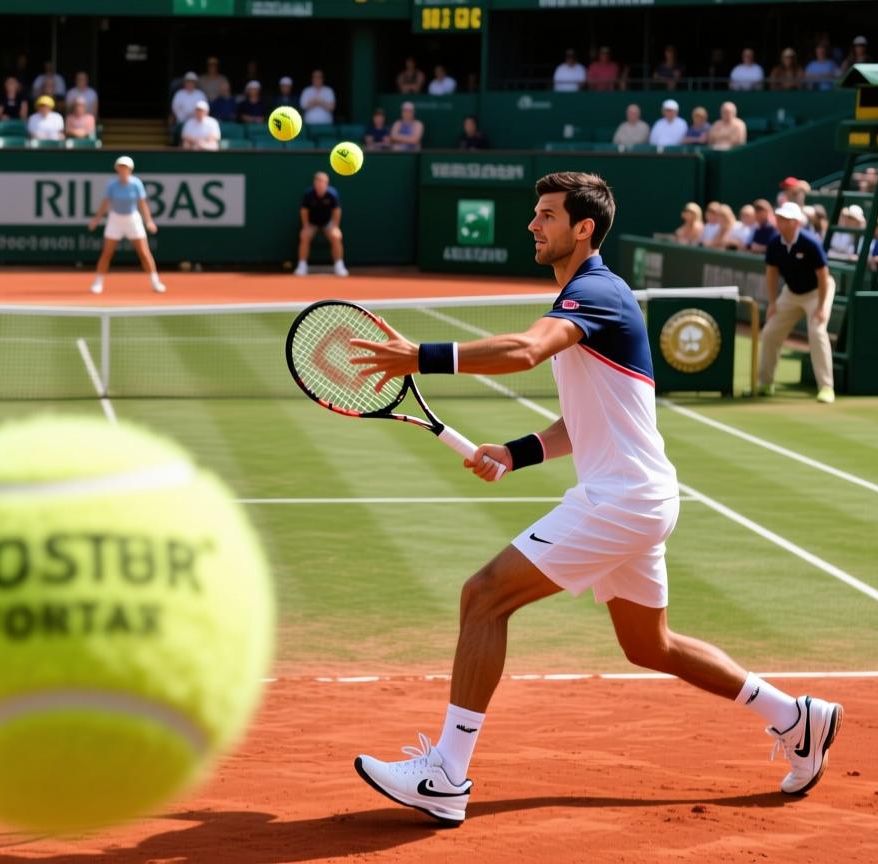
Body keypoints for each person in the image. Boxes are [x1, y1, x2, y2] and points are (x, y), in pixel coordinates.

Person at [350, 171, 843, 826]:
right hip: (637, 494)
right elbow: (583, 425)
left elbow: (525, 351)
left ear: (583, 228)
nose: (533, 224)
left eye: (547, 215)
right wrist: (517, 452)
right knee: (650, 646)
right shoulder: (589, 299)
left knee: (483, 596)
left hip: (624, 499)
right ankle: (795, 717)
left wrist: (422, 357)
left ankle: (445, 773)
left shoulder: (597, 292)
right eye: (536, 214)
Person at [758, 201, 836, 403]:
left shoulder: (811, 243)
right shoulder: (775, 243)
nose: (780, 222)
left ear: (795, 223)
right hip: (791, 293)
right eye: (779, 218)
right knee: (769, 333)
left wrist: (820, 307)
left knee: (817, 332)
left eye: (785, 219)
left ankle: (826, 387)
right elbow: (772, 273)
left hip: (817, 291)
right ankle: (766, 383)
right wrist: (773, 302)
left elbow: (823, 276)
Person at [87, 155, 164, 295]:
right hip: (115, 219)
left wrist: (149, 221)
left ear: (130, 169)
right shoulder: (112, 185)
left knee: (144, 252)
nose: (123, 169)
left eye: (126, 167)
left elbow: (142, 204)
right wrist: (96, 220)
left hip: (132, 219)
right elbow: (105, 203)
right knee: (107, 253)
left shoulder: (136, 184)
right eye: (121, 167)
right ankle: (98, 282)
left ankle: (155, 282)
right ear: (117, 169)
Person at [294, 171, 348, 278]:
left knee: (336, 236)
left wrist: (335, 226)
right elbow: (304, 211)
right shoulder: (308, 194)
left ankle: (339, 265)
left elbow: (337, 211)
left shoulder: (332, 194)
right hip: (312, 223)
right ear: (314, 183)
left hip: (328, 223)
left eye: (323, 182)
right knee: (304, 236)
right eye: (318, 182)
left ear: (326, 183)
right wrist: (305, 226)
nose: (320, 184)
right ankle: (302, 266)